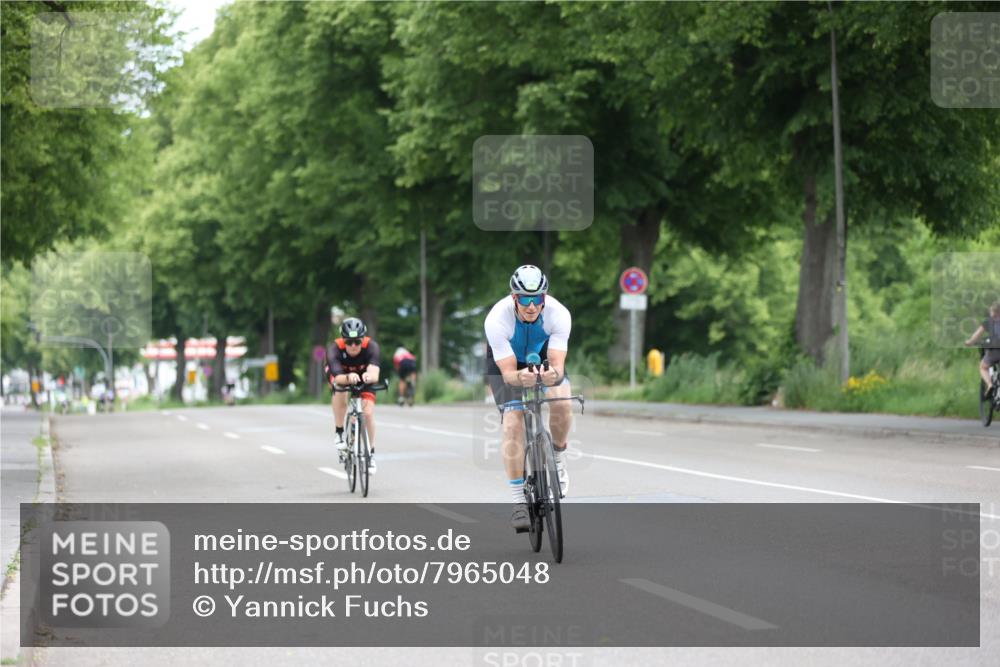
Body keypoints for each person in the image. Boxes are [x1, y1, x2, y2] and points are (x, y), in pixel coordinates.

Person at [484, 264, 573, 533]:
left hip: (543, 356)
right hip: (508, 364)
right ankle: (518, 501)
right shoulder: (496, 320)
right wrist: (518, 377)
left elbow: (557, 364)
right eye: (525, 299)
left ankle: (557, 457)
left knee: (562, 400)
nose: (532, 306)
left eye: (537, 299)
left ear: (544, 297)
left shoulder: (559, 315)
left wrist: (551, 375)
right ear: (514, 297)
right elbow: (509, 373)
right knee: (513, 422)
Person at [325, 317, 382, 474]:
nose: (353, 346)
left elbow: (374, 372)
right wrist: (348, 377)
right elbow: (337, 377)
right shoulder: (334, 348)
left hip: (363, 375)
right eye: (349, 342)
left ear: (363, 339)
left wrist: (368, 377)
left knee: (368, 413)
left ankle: (370, 454)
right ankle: (339, 433)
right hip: (341, 375)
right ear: (343, 340)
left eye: (357, 341)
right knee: (340, 391)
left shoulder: (371, 347)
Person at [965, 300, 1000, 397]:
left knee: (983, 367)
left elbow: (977, 335)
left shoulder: (989, 321)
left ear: (993, 310)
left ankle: (989, 385)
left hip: (995, 350)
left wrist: (969, 342)